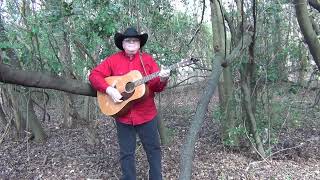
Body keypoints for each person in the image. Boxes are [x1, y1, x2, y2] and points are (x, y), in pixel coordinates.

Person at [89, 27, 170, 180]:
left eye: (135, 40)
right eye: (128, 40)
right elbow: (94, 75)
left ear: (139, 44)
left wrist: (163, 79)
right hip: (123, 116)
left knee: (153, 150)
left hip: (147, 115)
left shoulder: (147, 60)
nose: (132, 43)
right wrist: (108, 90)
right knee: (126, 153)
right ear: (123, 44)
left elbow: (156, 87)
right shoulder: (113, 60)